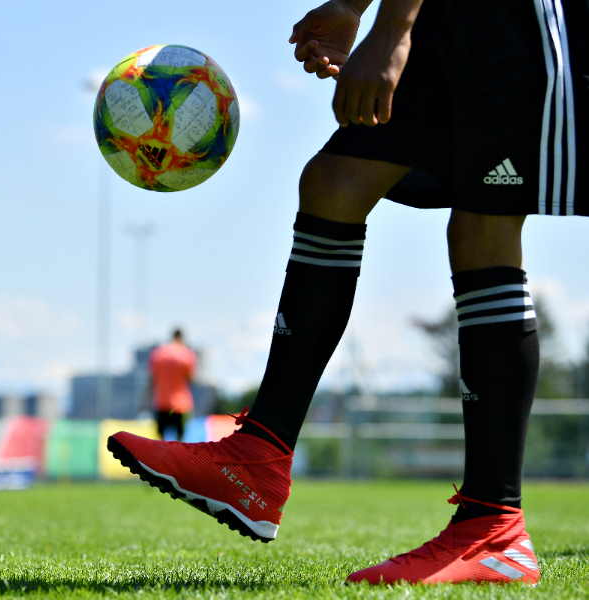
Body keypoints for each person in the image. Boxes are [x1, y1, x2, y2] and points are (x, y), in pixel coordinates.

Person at [108, 0, 585, 584]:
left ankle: (494, 528)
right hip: (448, 15)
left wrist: (390, 32)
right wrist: (353, 8)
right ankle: (258, 457)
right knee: (335, 182)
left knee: (485, 221)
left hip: (512, 18)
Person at [148, 328, 197, 441]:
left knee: (161, 442)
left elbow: (152, 380)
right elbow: (190, 378)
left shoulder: (158, 353)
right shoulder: (187, 354)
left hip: (161, 403)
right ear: (182, 338)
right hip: (180, 405)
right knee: (180, 443)